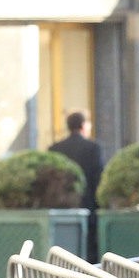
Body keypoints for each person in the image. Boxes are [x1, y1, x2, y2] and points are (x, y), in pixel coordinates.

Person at [49, 111, 105, 263]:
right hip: (88, 207)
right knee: (89, 255)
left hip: (62, 209)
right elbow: (98, 178)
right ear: (83, 125)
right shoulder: (94, 148)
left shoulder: (54, 149)